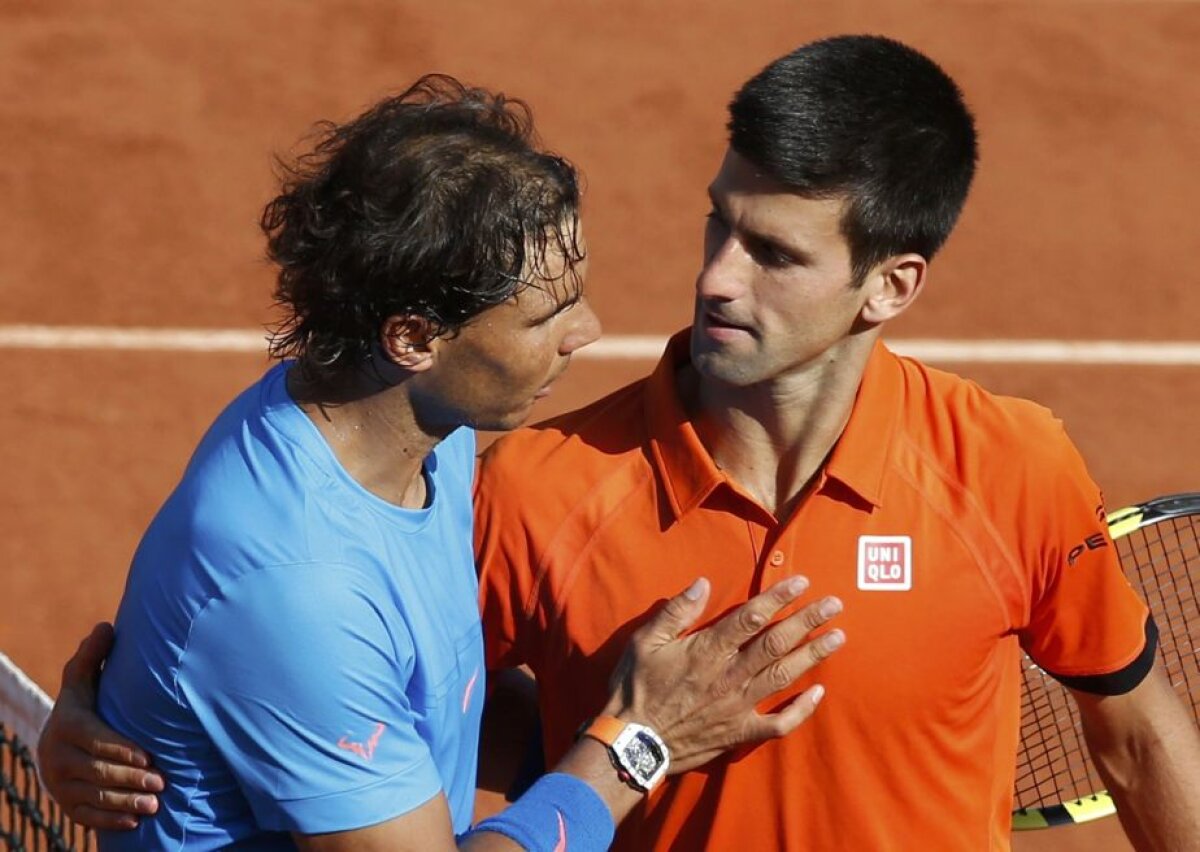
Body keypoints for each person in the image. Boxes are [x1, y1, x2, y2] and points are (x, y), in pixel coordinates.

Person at [40, 34, 1200, 851]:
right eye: (719, 223)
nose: (714, 279)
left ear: (889, 285)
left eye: (775, 255)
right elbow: (343, 675)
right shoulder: (532, 488)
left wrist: (100, 715)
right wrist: (105, 729)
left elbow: (1140, 745)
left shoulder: (1011, 466)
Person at [36, 73, 847, 851]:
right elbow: (295, 639)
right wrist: (640, 743)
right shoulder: (299, 586)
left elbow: (428, 702)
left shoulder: (414, 425)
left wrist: (659, 736)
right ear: (415, 338)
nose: (587, 332)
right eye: (547, 317)